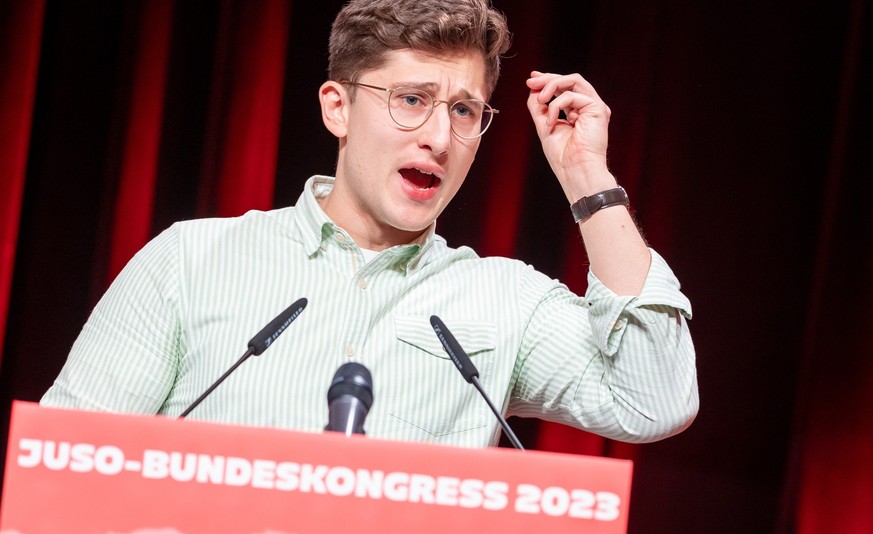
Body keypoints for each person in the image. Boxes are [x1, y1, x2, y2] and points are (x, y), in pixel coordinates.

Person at [41, 0, 698, 448]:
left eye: (465, 111)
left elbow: (653, 401)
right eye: (412, 100)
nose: (439, 136)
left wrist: (589, 180)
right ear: (338, 108)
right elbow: (65, 462)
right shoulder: (191, 259)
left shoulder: (505, 301)